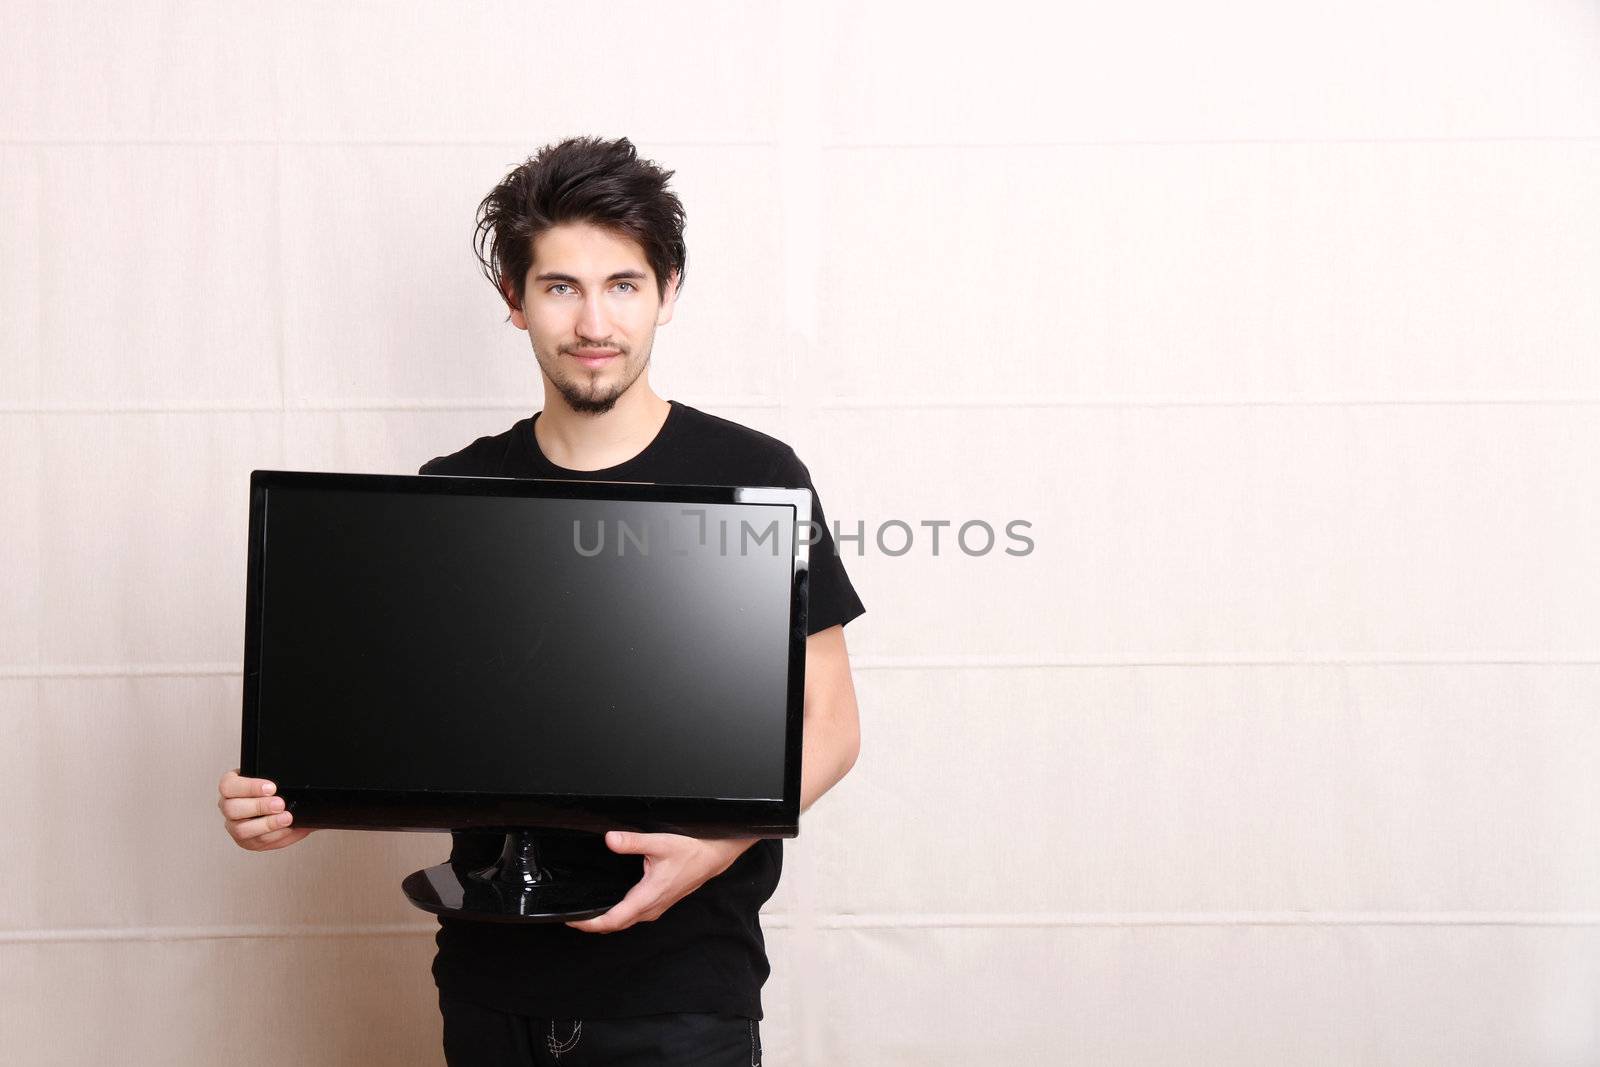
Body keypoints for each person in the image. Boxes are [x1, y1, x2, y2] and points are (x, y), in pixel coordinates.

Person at [217, 135, 865, 1066]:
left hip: (680, 994)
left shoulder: (754, 476)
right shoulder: (455, 491)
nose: (594, 320)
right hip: (488, 990)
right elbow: (410, 725)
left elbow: (832, 721)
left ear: (667, 293)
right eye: (560, 287)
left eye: (624, 284)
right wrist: (295, 802)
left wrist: (715, 847)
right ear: (515, 303)